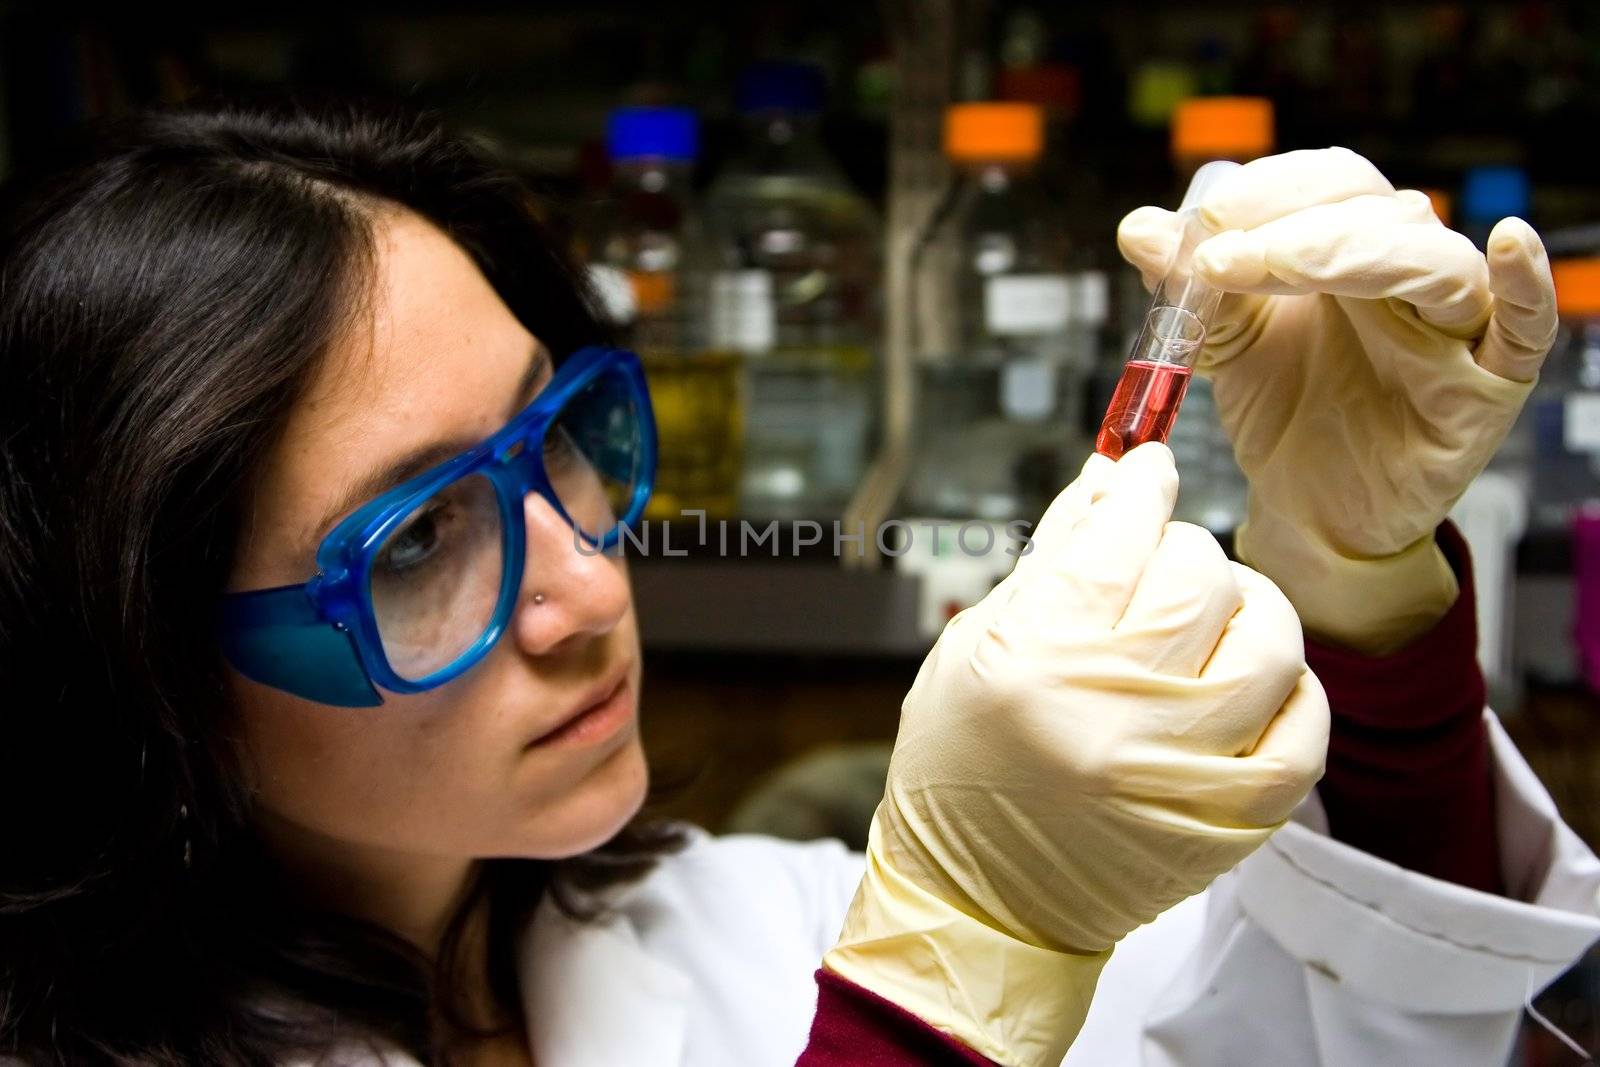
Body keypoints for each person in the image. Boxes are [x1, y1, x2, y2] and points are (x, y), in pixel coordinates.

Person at [0, 98, 1588, 1067]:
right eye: (413, 543)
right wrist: (939, 987)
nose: (583, 589)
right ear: (138, 669)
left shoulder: (749, 934)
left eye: (555, 436)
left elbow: (1333, 1041)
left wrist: (1366, 599)